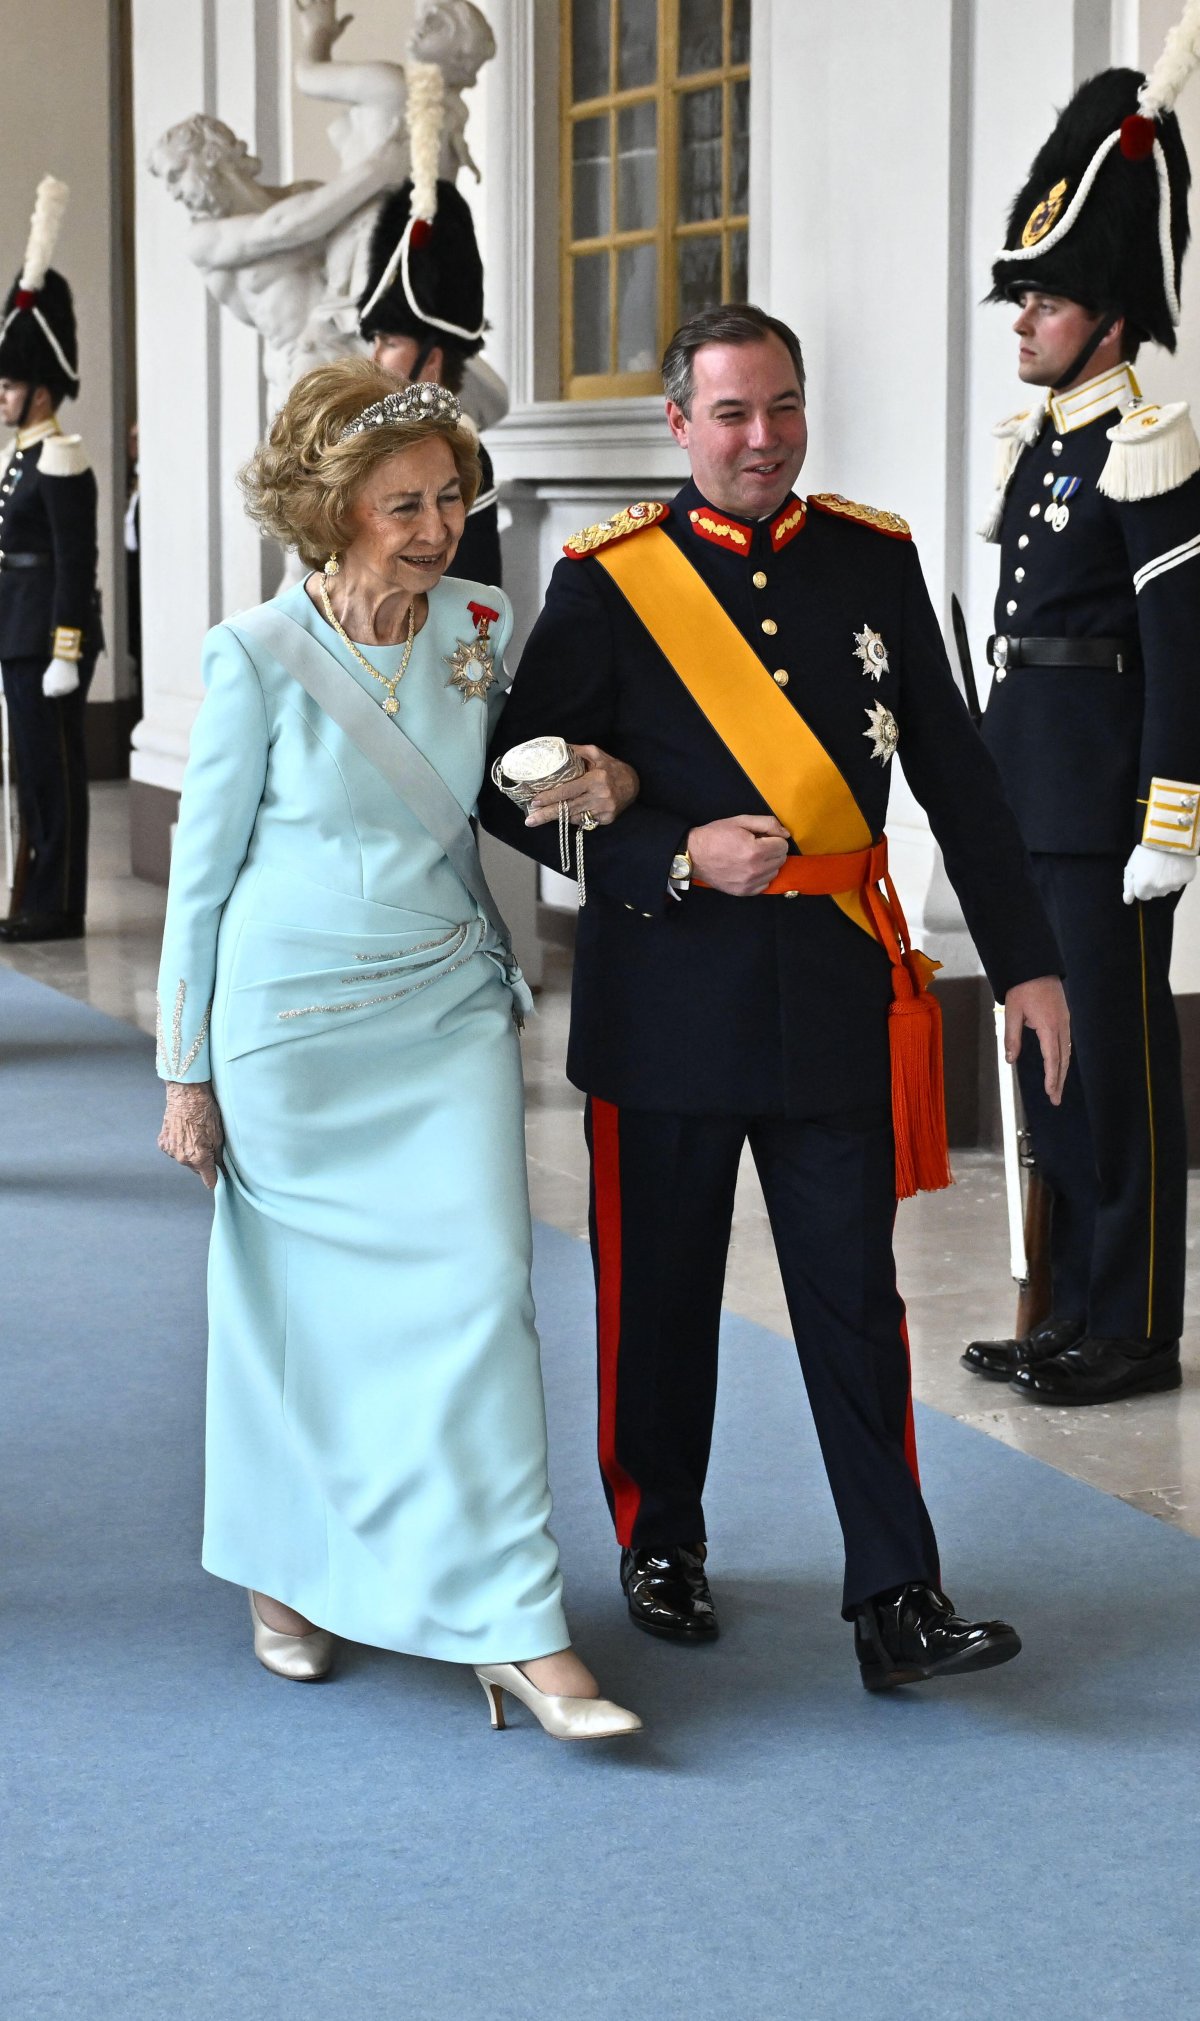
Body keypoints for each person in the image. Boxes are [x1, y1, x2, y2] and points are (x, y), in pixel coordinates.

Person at [478, 303, 1071, 1693]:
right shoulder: (609, 581)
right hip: (665, 998)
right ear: (678, 425)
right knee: (661, 1299)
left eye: (783, 408)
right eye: (733, 414)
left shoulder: (874, 560)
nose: (763, 439)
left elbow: (961, 781)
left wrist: (1031, 959)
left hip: (830, 998)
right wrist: (667, 854)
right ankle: (660, 1542)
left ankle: (897, 1594)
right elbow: (507, 786)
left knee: (857, 1304)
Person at [155, 356, 641, 1742]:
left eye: (450, 496)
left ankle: (517, 1624)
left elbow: (503, 790)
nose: (438, 528)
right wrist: (185, 1071)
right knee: (288, 1316)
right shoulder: (252, 657)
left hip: (439, 1016)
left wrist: (590, 782)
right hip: (291, 1034)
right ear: (333, 510)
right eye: (404, 504)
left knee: (484, 1304)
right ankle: (284, 1571)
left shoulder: (482, 622)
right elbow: (201, 879)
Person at [964, 42, 1200, 1405]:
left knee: (1116, 1072)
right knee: (1050, 1063)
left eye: (1045, 301)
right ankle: (1070, 1305)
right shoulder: (1048, 439)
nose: (1024, 321)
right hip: (1028, 796)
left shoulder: (1148, 443)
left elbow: (1181, 652)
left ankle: (1138, 1325)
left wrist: (1170, 816)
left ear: (1108, 315)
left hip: (1108, 808)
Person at [0, 176, 101, 946]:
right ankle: (31, 892)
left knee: (56, 775)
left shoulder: (61, 457)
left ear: (41, 388)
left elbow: (76, 564)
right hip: (18, 633)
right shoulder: (21, 457)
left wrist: (67, 649)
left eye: (10, 383)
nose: (1, 395)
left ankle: (58, 902)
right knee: (29, 776)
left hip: (47, 641)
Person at [357, 176, 502, 582]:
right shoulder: (362, 441)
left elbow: (473, 599)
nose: (374, 356)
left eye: (388, 341)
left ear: (431, 360)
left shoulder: (463, 453)